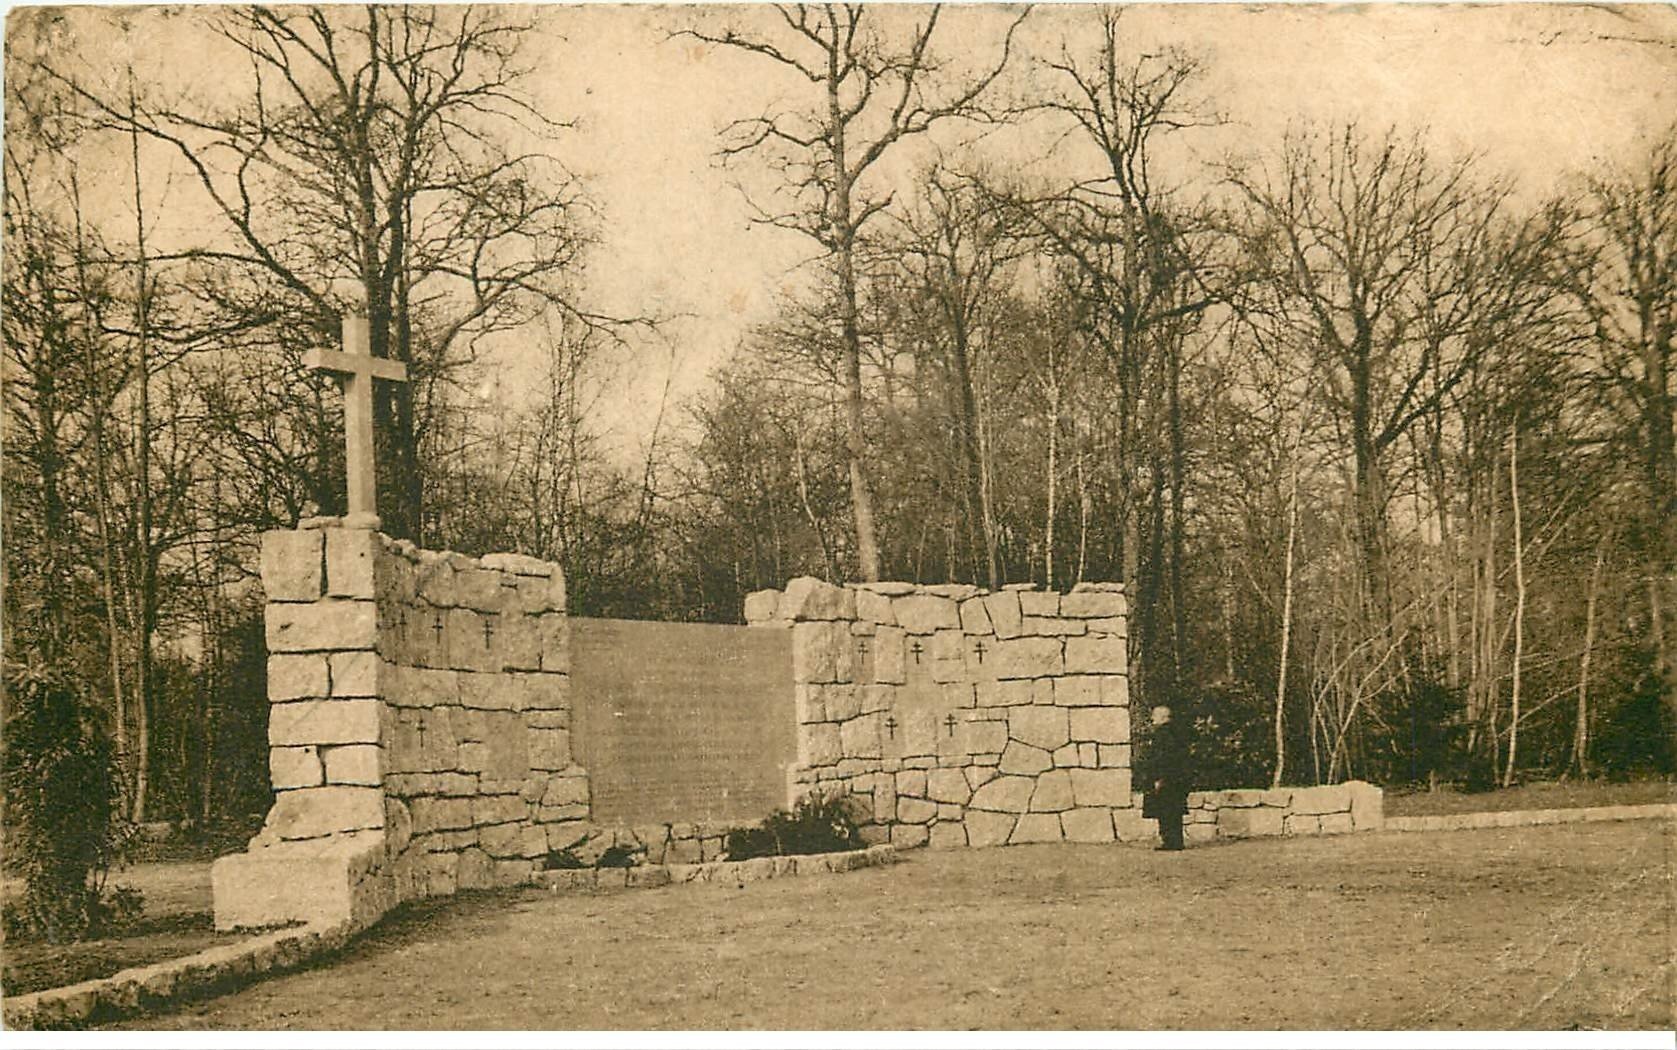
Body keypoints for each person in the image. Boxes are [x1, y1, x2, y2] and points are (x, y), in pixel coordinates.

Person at [1140, 704, 1191, 851]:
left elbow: (1163, 759)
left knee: (1166, 811)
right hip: (1175, 779)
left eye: (1154, 715)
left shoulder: (1162, 734)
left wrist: (1159, 778)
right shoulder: (1176, 732)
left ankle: (1170, 842)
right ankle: (1175, 841)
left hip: (1166, 780)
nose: (1152, 718)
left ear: (1162, 717)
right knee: (1173, 811)